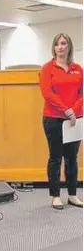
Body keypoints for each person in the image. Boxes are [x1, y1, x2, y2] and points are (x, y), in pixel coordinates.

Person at [39, 33, 83, 210]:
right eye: (57, 44)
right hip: (53, 119)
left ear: (69, 46)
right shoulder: (47, 68)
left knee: (72, 158)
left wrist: (73, 110)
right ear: (54, 48)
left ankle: (72, 194)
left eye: (64, 43)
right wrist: (66, 109)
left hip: (74, 120)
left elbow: (82, 93)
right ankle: (55, 195)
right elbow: (47, 93)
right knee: (56, 158)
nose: (61, 47)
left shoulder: (78, 68)